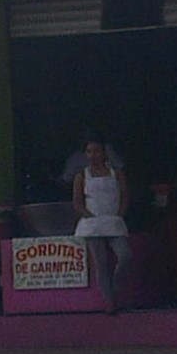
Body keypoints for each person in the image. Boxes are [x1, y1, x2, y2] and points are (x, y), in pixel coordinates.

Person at [72, 138, 131, 314]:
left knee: (125, 256)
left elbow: (124, 195)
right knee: (101, 264)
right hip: (93, 224)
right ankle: (109, 302)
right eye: (89, 151)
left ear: (104, 153)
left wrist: (119, 214)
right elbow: (77, 202)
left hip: (113, 221)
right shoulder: (82, 175)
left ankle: (114, 288)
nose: (93, 155)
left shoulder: (116, 173)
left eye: (96, 151)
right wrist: (88, 216)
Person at [58, 127, 124, 187]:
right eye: (80, 137)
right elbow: (66, 180)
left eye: (85, 136)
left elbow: (121, 167)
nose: (83, 139)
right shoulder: (74, 158)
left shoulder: (107, 149)